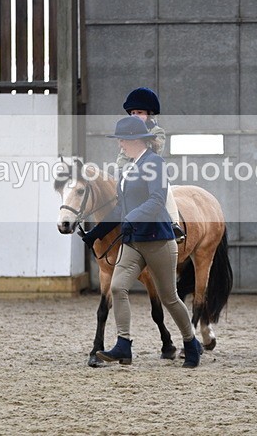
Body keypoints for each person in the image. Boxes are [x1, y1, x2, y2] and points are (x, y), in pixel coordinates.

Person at [82, 116, 202, 368]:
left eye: (122, 140)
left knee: (169, 298)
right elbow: (120, 208)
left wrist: (131, 218)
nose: (120, 145)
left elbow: (157, 199)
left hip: (157, 240)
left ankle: (191, 342)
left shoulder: (154, 163)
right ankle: (123, 343)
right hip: (134, 241)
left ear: (136, 140)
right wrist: (95, 233)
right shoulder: (129, 168)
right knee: (117, 287)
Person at [117, 87, 185, 243]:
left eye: (139, 113)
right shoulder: (127, 131)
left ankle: (173, 224)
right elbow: (121, 158)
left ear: (148, 114)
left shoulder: (157, 131)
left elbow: (155, 151)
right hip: (129, 172)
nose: (135, 116)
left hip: (150, 172)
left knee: (165, 192)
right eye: (133, 113)